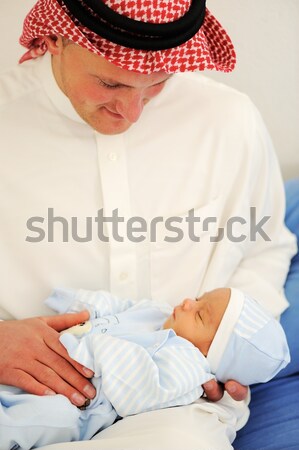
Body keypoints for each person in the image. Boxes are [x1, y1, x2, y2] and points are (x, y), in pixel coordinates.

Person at [0, 0, 297, 449]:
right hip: (21, 390)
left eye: (157, 85)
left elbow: (263, 247)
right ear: (58, 38)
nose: (132, 112)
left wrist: (226, 352)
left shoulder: (227, 120)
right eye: (109, 82)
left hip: (175, 411)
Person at [0, 287, 290, 449]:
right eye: (199, 297)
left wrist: (97, 347)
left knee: (42, 417)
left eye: (200, 314)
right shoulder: (160, 314)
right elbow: (122, 306)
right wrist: (83, 305)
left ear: (209, 354)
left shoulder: (188, 367)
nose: (188, 302)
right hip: (48, 354)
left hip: (80, 402)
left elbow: (139, 391)